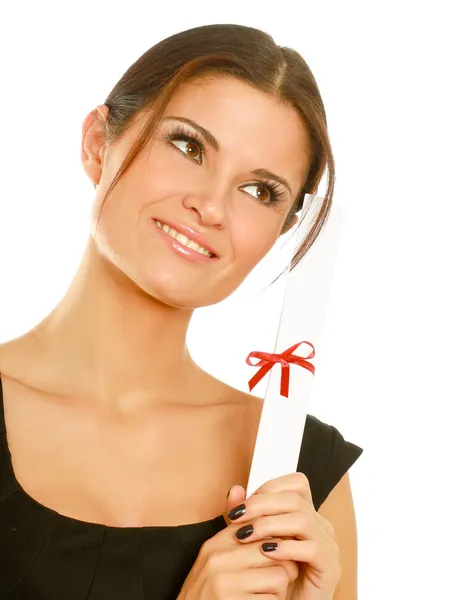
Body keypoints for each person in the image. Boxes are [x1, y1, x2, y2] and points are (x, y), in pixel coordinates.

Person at [0, 23, 363, 600]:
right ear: (99, 142)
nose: (212, 206)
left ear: (281, 231)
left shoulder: (301, 481)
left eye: (260, 190)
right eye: (189, 146)